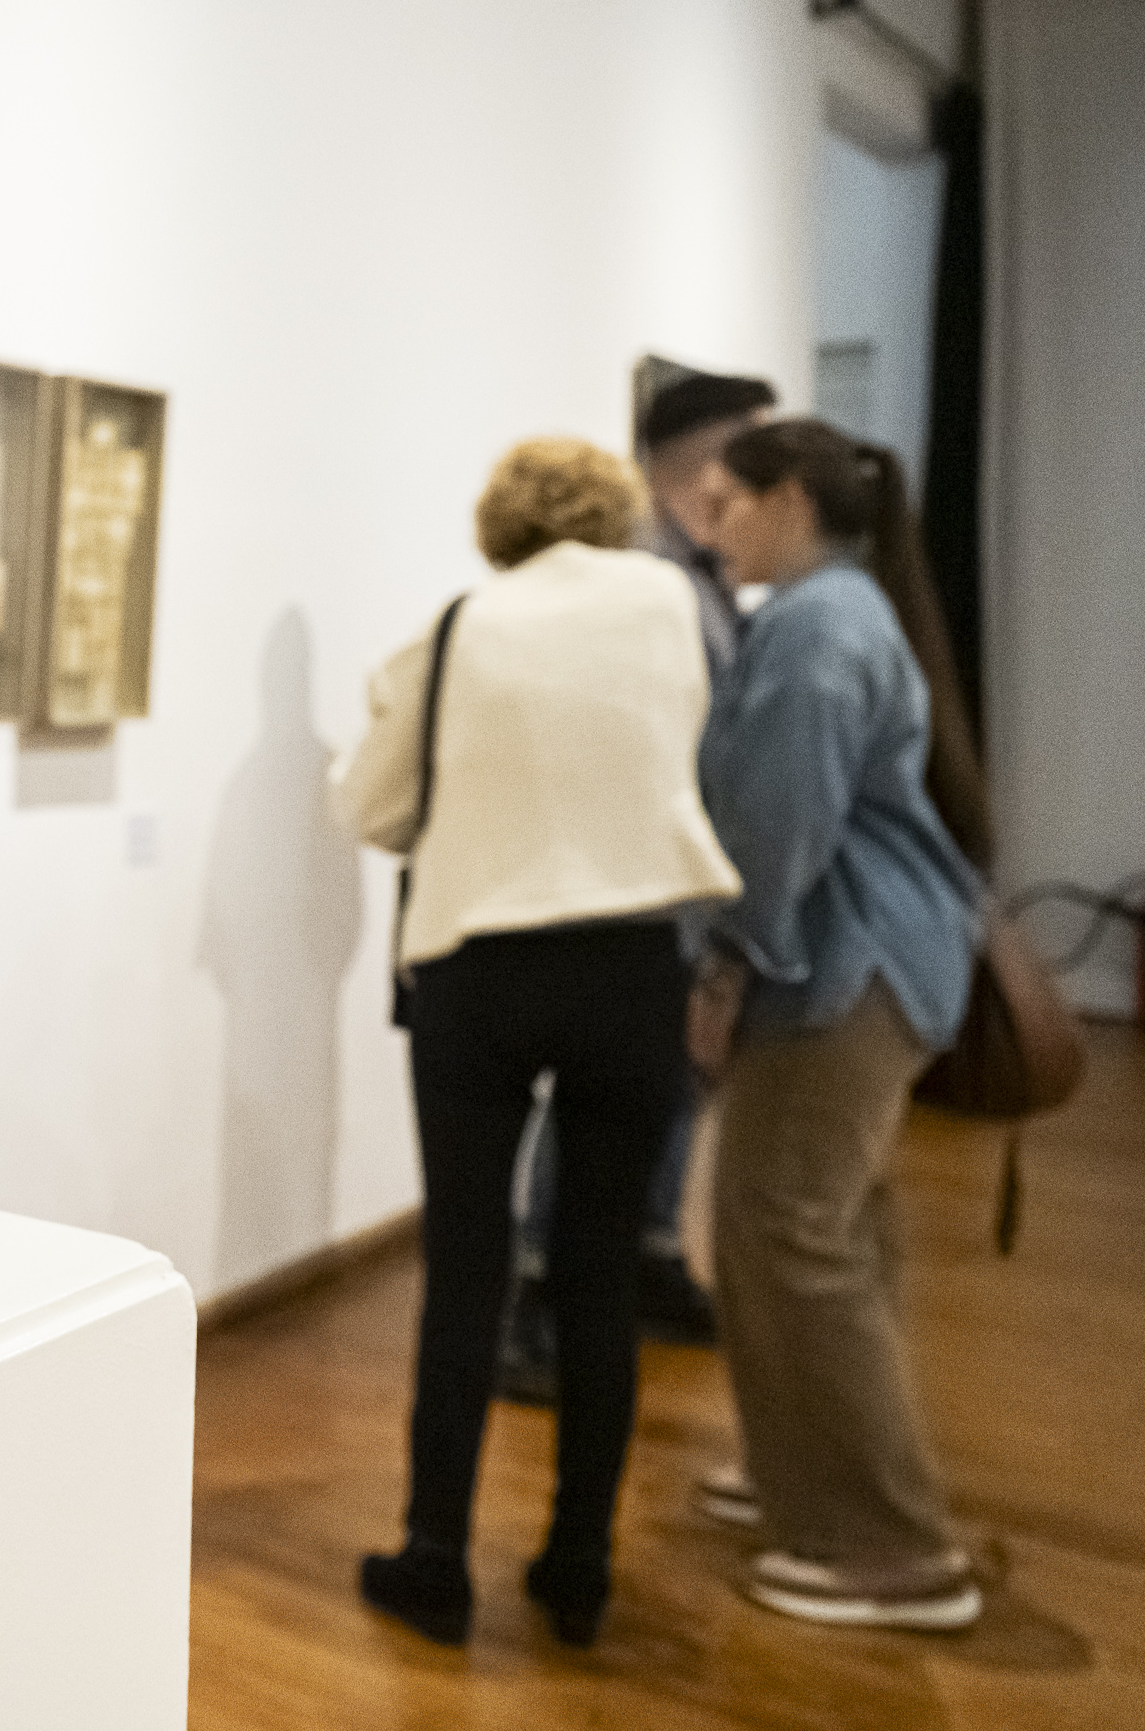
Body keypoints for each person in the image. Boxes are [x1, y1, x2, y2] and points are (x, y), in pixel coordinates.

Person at [333, 438, 742, 1647]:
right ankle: (576, 1565)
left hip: (482, 971)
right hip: (629, 965)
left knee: (467, 1266)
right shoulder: (669, 603)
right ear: (616, 516)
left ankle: (436, 1557)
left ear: (498, 524)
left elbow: (373, 807)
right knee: (598, 1272)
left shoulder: (459, 626)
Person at [691, 419, 988, 1631]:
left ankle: (891, 1547)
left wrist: (726, 966)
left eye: (729, 503)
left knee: (789, 1229)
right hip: (878, 963)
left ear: (789, 501)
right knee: (822, 1228)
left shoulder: (817, 626)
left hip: (839, 970)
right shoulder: (848, 611)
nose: (714, 526)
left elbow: (775, 828)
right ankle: (800, 1474)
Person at [500, 373, 773, 1398]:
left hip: (680, 885)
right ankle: (536, 1294)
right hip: (631, 888)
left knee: (664, 1092)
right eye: (748, 451)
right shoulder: (642, 580)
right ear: (698, 462)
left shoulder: (697, 575)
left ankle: (650, 1255)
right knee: (602, 1098)